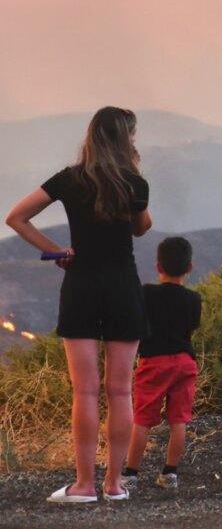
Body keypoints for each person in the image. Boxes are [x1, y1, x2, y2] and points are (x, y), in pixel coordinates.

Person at [4, 106, 152, 503]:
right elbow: (141, 227)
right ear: (125, 140)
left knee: (85, 392)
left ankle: (84, 486)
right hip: (123, 285)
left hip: (82, 283)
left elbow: (16, 217)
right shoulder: (135, 184)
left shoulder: (70, 179)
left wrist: (56, 252)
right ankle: (115, 485)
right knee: (121, 392)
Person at [121, 236, 201, 491]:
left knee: (143, 419)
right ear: (189, 267)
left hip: (154, 362)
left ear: (158, 267)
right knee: (179, 420)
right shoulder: (194, 298)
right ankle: (170, 474)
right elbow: (192, 327)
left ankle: (131, 474)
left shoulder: (147, 293)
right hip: (185, 362)